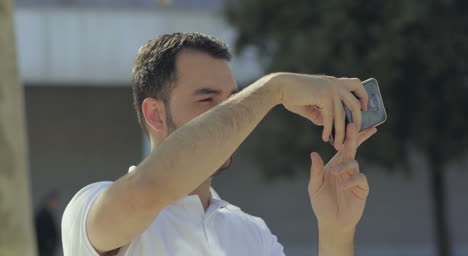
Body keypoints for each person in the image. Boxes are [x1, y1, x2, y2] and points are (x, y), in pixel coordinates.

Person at [62, 32, 377, 256]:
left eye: (231, 101)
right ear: (155, 115)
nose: (231, 117)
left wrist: (336, 231)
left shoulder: (251, 233)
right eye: (207, 99)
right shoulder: (89, 207)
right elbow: (146, 192)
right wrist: (272, 90)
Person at [35, 190, 60, 256]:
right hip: (43, 250)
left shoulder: (49, 214)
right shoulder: (42, 215)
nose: (55, 204)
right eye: (54, 201)